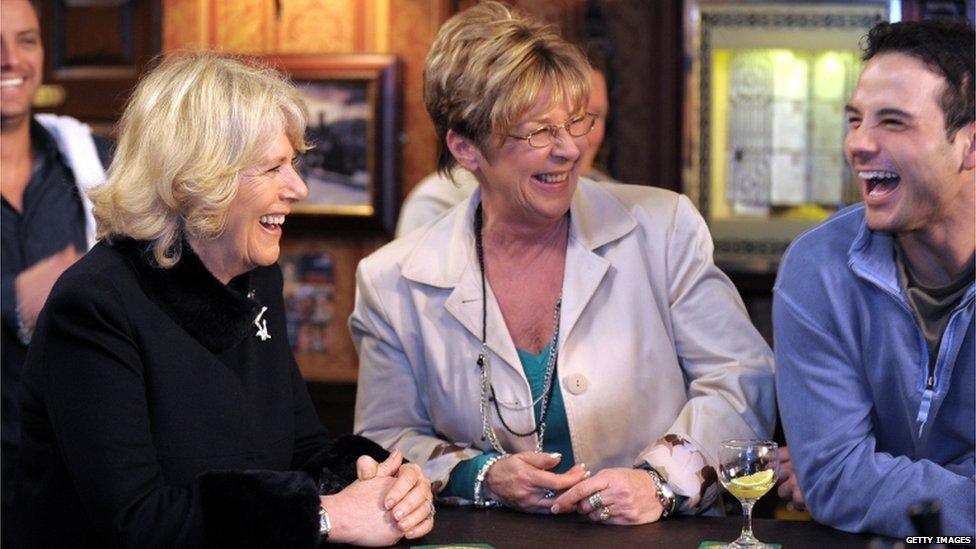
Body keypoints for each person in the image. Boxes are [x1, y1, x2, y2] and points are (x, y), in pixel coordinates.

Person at [352, 1, 775, 525]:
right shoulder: (391, 281)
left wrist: (660, 483)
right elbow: (386, 440)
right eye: (537, 132)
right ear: (465, 148)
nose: (570, 149)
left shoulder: (663, 227)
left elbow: (739, 379)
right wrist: (481, 476)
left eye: (576, 122)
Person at [11, 53, 434, 547]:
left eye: (292, 165)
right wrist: (323, 517)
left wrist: (386, 480)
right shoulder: (94, 305)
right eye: (273, 168)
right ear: (199, 181)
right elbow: (137, 520)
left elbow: (301, 450)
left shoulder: (256, 280)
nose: (297, 188)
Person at [774, 19, 974, 537]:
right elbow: (836, 479)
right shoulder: (816, 268)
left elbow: (846, 481)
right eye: (855, 119)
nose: (858, 144)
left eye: (893, 122)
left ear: (970, 146)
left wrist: (875, 477)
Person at [0, 0, 113, 531]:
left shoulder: (91, 158)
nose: (11, 60)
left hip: (76, 474)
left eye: (27, 40)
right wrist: (13, 297)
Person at [394, 65, 612, 237]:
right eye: (541, 129)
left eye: (581, 120)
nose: (574, 146)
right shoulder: (437, 205)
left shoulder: (621, 207)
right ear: (466, 148)